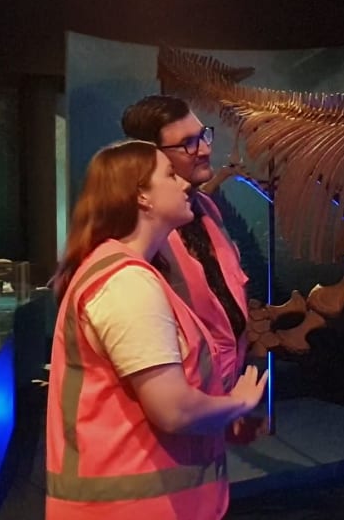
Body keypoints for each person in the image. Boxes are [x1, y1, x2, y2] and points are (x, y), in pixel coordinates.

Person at [45, 140, 268, 519]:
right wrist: (237, 405)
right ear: (141, 197)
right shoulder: (126, 283)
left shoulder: (137, 274)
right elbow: (173, 409)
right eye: (169, 174)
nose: (184, 184)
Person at [120, 95, 264, 442]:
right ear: (151, 156)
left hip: (212, 402)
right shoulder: (138, 237)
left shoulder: (207, 209)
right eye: (187, 143)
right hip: (174, 414)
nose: (203, 149)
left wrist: (228, 404)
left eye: (203, 135)